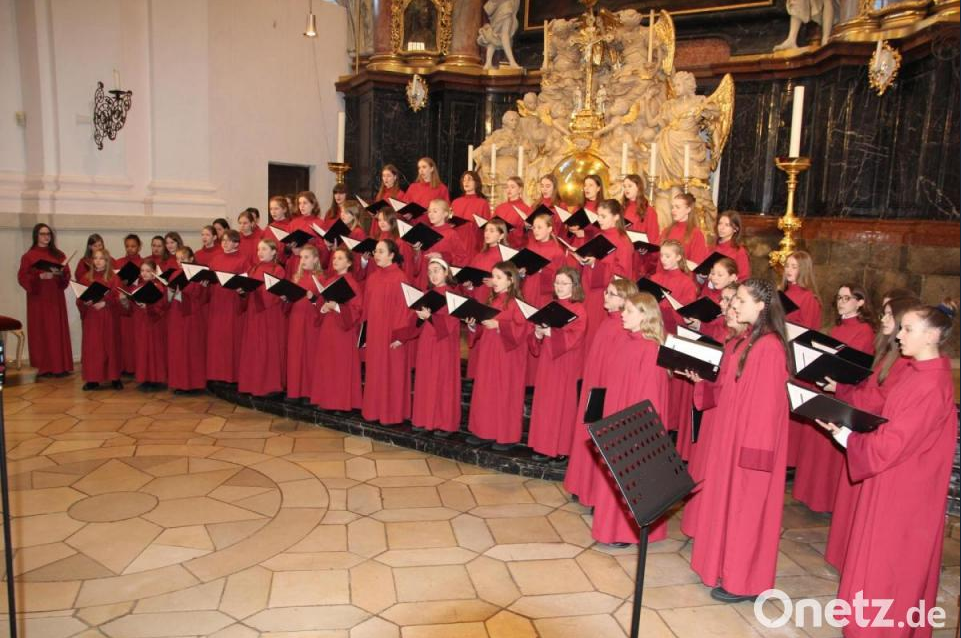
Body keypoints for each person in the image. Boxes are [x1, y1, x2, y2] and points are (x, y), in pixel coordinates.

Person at [816, 301, 957, 637]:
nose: (899, 336)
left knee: (891, 564)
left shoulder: (930, 385)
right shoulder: (916, 371)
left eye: (908, 329)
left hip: (905, 489)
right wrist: (845, 412)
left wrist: (848, 437)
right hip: (894, 478)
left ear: (932, 336)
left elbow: (895, 441)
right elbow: (885, 409)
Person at [683, 278, 790, 603]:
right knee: (726, 505)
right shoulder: (741, 342)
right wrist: (702, 382)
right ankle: (721, 566)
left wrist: (754, 456)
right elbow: (727, 389)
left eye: (740, 300)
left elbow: (768, 408)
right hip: (730, 438)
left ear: (761, 306)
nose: (733, 306)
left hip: (750, 447)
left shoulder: (769, 347)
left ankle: (743, 580)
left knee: (746, 510)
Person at [820, 294, 917, 570]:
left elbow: (880, 401)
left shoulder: (904, 363)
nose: (883, 319)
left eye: (888, 315)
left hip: (872, 437)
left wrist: (840, 392)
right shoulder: (888, 353)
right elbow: (869, 390)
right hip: (860, 427)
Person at [590, 292, 672, 546]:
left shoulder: (651, 350)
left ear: (645, 316)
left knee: (632, 477)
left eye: (628, 311)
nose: (622, 315)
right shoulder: (627, 342)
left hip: (634, 426)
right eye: (623, 309)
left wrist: (635, 432)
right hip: (616, 416)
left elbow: (649, 399)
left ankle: (627, 531)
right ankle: (611, 525)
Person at [793, 283, 876, 512]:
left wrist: (836, 382)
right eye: (839, 297)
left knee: (828, 451)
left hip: (843, 392)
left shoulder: (864, 330)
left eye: (847, 298)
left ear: (860, 302)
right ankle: (808, 495)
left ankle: (824, 499)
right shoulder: (837, 328)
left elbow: (856, 366)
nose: (841, 302)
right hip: (826, 386)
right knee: (815, 443)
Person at [679, 283, 746, 539]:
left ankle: (708, 525)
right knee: (703, 465)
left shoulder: (743, 343)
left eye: (731, 301)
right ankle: (699, 522)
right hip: (713, 410)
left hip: (725, 414)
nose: (724, 306)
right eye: (724, 301)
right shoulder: (730, 339)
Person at [563, 277, 638, 505]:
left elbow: (616, 367)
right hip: (593, 386)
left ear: (625, 300)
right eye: (606, 291)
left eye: (613, 293)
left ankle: (595, 492)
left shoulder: (623, 328)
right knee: (586, 435)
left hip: (605, 392)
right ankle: (581, 485)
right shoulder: (608, 322)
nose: (606, 296)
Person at [465, 261, 530, 449]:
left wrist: (499, 325)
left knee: (503, 392)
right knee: (486, 390)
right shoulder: (492, 300)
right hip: (489, 353)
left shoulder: (518, 304)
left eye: (499, 277)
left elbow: (523, 329)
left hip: (507, 357)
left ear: (511, 280)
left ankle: (505, 436)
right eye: (493, 276)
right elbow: (481, 327)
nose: (494, 281)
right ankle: (484, 431)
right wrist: (472, 324)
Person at [527, 267, 587, 461]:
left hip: (566, 364)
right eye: (557, 283)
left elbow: (574, 337)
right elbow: (537, 339)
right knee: (545, 403)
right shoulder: (550, 305)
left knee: (561, 404)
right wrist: (537, 333)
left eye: (564, 283)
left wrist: (551, 333)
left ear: (574, 285)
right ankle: (542, 444)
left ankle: (560, 448)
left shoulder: (579, 309)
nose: (559, 287)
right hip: (547, 362)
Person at [404, 257, 462, 436]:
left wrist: (429, 317)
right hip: (427, 341)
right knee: (426, 378)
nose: (433, 274)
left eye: (437, 270)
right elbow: (415, 322)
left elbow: (449, 325)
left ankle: (444, 422)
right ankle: (423, 419)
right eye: (430, 272)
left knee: (443, 380)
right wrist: (419, 316)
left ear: (446, 272)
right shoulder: (426, 293)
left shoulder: (453, 296)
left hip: (444, 344)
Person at [361, 239, 413, 425]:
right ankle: (373, 411)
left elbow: (405, 310)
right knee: (375, 372)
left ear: (392, 255)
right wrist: (364, 336)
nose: (376, 255)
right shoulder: (373, 277)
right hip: (375, 334)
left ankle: (391, 413)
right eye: (375, 251)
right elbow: (366, 310)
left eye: (381, 251)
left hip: (391, 335)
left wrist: (400, 336)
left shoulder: (400, 278)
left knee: (392, 373)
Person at [572, 199, 635, 348]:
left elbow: (622, 275)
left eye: (603, 216)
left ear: (616, 217)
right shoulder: (598, 236)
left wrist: (595, 264)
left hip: (606, 295)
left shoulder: (623, 240)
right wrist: (583, 261)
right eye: (598, 215)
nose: (599, 220)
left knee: (596, 338)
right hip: (589, 290)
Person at [781, 250, 822, 466]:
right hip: (779, 353)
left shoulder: (809, 298)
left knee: (792, 408)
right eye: (787, 265)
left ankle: (790, 460)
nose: (789, 270)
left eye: (794, 266)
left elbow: (810, 332)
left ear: (803, 269)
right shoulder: (782, 293)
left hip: (796, 358)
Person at [310, 246, 364, 411]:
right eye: (334, 258)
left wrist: (337, 307)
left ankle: (340, 402)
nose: (335, 261)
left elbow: (356, 309)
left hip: (343, 331)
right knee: (328, 364)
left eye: (340, 258)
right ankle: (327, 399)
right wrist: (322, 307)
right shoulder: (329, 280)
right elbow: (321, 303)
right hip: (328, 327)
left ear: (348, 263)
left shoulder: (352, 283)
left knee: (340, 366)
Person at [17, 223, 73, 377]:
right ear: (36, 236)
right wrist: (39, 276)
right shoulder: (28, 256)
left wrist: (60, 274)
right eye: (42, 234)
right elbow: (22, 278)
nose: (46, 236)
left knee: (56, 331)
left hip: (55, 298)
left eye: (48, 234)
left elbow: (66, 275)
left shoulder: (59, 254)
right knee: (42, 331)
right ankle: (43, 367)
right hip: (38, 300)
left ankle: (60, 367)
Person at [237, 239, 287, 397]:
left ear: (273, 252)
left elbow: (275, 294)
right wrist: (242, 292)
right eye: (259, 249)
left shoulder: (278, 270)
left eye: (264, 249)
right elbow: (247, 293)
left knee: (268, 348)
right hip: (253, 314)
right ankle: (251, 383)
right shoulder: (253, 269)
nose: (260, 252)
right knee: (253, 347)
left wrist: (257, 291)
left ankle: (269, 385)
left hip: (269, 314)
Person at [77, 249, 122, 391]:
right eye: (95, 258)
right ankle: (92, 379)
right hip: (92, 317)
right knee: (93, 348)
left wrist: (106, 303)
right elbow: (79, 298)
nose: (98, 261)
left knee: (110, 346)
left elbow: (117, 297)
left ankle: (115, 378)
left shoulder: (114, 278)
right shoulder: (86, 278)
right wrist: (85, 302)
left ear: (107, 261)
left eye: (101, 258)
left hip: (108, 315)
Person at [165, 247, 209, 395]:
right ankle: (180, 383)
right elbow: (168, 298)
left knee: (192, 348)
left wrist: (200, 288)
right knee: (178, 349)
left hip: (192, 315)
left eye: (183, 258)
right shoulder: (175, 274)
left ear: (191, 259)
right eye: (177, 259)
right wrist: (170, 293)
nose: (179, 262)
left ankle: (195, 383)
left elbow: (202, 298)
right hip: (177, 315)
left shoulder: (197, 274)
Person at [206, 229, 248, 383]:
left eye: (228, 240)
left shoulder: (243, 260)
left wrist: (241, 291)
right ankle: (217, 374)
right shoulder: (215, 259)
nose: (224, 243)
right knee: (217, 340)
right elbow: (210, 278)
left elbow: (245, 284)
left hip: (232, 303)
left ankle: (232, 375)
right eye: (222, 240)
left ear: (236, 243)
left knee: (230, 338)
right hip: (217, 302)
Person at [283, 244, 323, 402]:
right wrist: (286, 298)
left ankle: (309, 391)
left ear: (315, 259)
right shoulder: (296, 277)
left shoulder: (320, 278)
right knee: (296, 354)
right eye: (301, 257)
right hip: (296, 318)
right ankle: (294, 391)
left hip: (311, 320)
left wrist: (313, 298)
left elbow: (322, 303)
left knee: (309, 354)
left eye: (306, 257)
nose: (302, 260)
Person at [122, 260, 168, 391]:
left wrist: (147, 306)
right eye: (142, 271)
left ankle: (156, 379)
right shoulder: (136, 287)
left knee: (154, 350)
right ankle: (145, 378)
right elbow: (131, 308)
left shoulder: (159, 287)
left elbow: (162, 306)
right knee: (142, 350)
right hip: (140, 324)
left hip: (154, 324)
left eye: (148, 271)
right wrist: (126, 301)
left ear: (154, 273)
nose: (144, 273)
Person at [113, 234, 143, 375]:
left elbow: (147, 282)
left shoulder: (144, 262)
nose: (130, 249)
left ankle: (136, 367)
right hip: (122, 302)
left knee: (136, 338)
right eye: (127, 246)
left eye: (133, 246)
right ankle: (124, 366)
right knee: (123, 338)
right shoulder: (118, 263)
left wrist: (136, 281)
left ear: (139, 246)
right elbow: (113, 282)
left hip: (137, 303)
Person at [621, 174, 660, 276]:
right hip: (624, 254)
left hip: (639, 256)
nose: (626, 189)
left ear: (638, 187)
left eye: (630, 186)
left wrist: (646, 249)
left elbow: (653, 236)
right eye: (624, 186)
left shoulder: (649, 210)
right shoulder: (622, 209)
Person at [659, 193, 709, 267]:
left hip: (683, 276)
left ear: (688, 210)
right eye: (673, 207)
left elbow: (697, 264)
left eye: (677, 207)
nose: (673, 210)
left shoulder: (696, 234)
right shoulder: (666, 231)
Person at [450, 170, 489, 258]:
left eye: (469, 179)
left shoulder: (482, 203)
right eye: (464, 180)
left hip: (473, 243)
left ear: (476, 183)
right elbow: (449, 220)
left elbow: (486, 227)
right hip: (457, 242)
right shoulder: (456, 202)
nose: (466, 182)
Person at [371, 209, 416, 281]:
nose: (381, 223)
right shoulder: (380, 237)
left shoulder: (401, 242)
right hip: (382, 276)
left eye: (385, 220)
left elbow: (407, 267)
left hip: (396, 279)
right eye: (379, 220)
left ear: (393, 220)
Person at [492, 176, 531, 248]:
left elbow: (528, 232)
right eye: (507, 187)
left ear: (520, 190)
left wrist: (513, 231)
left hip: (516, 248)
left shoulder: (526, 209)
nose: (509, 190)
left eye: (512, 187)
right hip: (498, 246)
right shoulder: (499, 208)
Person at [713, 211, 750, 278]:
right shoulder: (711, 246)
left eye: (727, 225)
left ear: (736, 229)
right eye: (720, 223)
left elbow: (743, 277)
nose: (722, 228)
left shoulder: (739, 251)